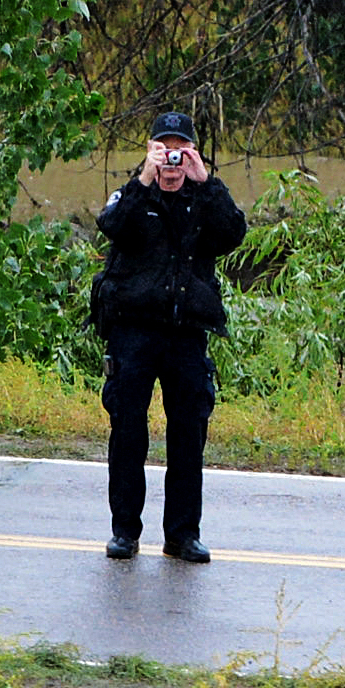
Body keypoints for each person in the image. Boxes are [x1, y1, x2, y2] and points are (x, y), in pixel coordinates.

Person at [90, 112, 247, 561]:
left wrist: (207, 181)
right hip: (134, 332)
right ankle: (125, 531)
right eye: (165, 148)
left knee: (188, 433)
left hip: (186, 335)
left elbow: (234, 233)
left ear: (193, 153)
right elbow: (112, 224)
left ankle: (182, 534)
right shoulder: (135, 194)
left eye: (181, 149)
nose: (173, 159)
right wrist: (144, 177)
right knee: (128, 431)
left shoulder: (204, 199)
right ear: (152, 151)